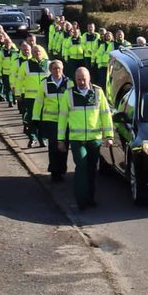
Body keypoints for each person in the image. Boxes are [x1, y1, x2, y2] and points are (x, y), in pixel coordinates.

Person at [58, 66, 113, 210]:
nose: (81, 82)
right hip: (77, 140)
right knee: (81, 167)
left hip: (94, 139)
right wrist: (60, 139)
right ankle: (81, 200)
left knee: (91, 169)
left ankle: (90, 198)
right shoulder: (69, 94)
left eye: (84, 79)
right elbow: (62, 118)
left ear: (89, 78)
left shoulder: (98, 92)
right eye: (78, 79)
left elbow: (105, 114)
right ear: (75, 79)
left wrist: (109, 136)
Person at [33, 59, 69, 179]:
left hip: (65, 121)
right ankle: (54, 171)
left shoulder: (69, 83)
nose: (57, 71)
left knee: (64, 147)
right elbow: (38, 102)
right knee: (53, 147)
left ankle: (61, 169)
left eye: (59, 68)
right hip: (51, 120)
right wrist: (35, 118)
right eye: (54, 68)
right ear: (50, 70)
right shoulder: (45, 83)